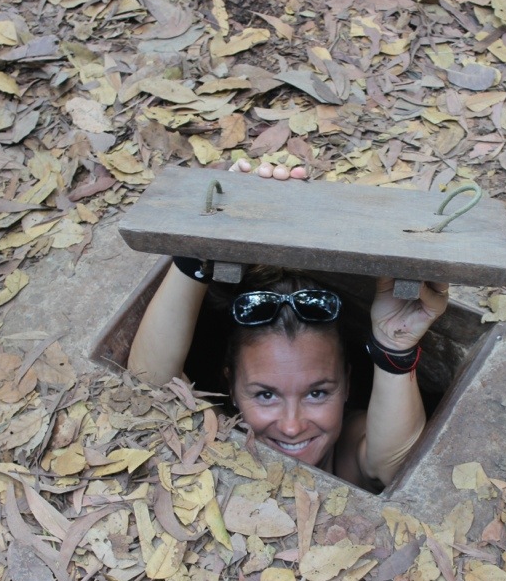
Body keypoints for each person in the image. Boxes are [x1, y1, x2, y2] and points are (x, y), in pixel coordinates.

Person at [128, 160, 449, 491]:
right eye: (265, 395)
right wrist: (197, 253)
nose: (292, 427)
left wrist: (394, 345)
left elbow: (392, 466)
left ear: (347, 385)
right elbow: (151, 384)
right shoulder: (221, 433)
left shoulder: (350, 445)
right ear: (232, 388)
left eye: (317, 393)